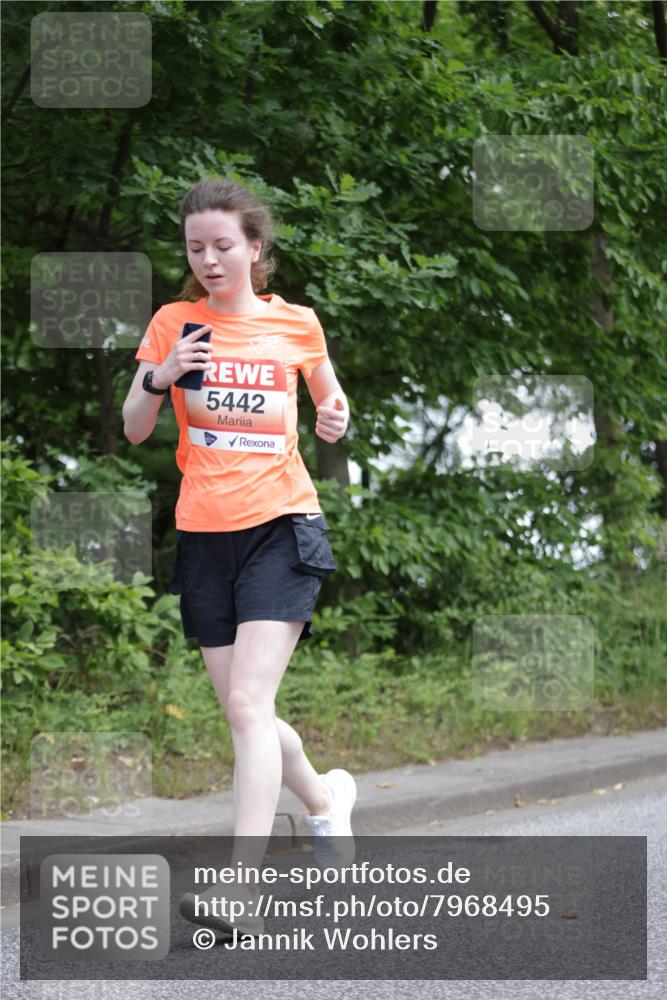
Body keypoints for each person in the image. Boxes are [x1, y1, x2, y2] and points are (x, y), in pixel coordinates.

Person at [122, 178, 357, 939]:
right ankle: (325, 802)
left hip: (281, 526)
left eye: (224, 245)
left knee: (250, 708)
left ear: (255, 248)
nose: (210, 259)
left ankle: (241, 893)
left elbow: (332, 402)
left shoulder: (296, 325)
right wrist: (159, 377)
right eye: (196, 248)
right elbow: (133, 425)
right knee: (243, 712)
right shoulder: (173, 322)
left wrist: (332, 415)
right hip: (203, 534)